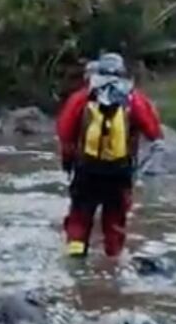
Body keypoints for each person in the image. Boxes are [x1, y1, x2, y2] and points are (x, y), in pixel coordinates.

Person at [56, 53, 164, 259]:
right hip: (120, 171)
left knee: (79, 218)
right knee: (115, 222)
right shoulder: (134, 98)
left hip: (86, 168)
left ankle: (75, 260)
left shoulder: (83, 97)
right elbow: (154, 133)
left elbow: (64, 132)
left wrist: (68, 163)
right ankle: (113, 267)